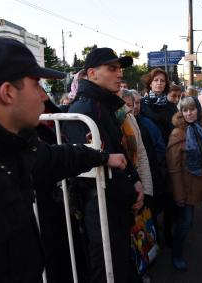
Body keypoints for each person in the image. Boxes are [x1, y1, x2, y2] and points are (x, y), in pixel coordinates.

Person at [0, 38, 131, 283]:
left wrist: (103, 157)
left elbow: (57, 157)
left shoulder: (14, 144)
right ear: (7, 93)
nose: (43, 96)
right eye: (36, 85)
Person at [62, 47, 144, 283]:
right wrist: (131, 192)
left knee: (119, 266)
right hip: (99, 207)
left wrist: (135, 180)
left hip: (114, 204)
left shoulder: (102, 106)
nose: (119, 74)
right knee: (106, 269)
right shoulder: (83, 111)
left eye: (120, 68)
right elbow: (92, 171)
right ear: (91, 73)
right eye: (112, 68)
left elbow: (118, 152)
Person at [166, 96, 202, 271]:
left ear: (198, 110)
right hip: (189, 187)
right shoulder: (177, 134)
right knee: (185, 223)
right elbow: (174, 169)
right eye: (185, 110)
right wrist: (178, 195)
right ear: (181, 112)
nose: (189, 113)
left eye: (192, 109)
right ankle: (176, 255)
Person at [140, 68, 177, 246]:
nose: (159, 84)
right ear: (150, 83)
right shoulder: (142, 104)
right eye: (156, 80)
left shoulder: (171, 106)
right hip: (150, 156)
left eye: (162, 81)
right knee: (152, 197)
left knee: (169, 198)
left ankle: (169, 234)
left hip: (169, 155)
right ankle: (154, 235)